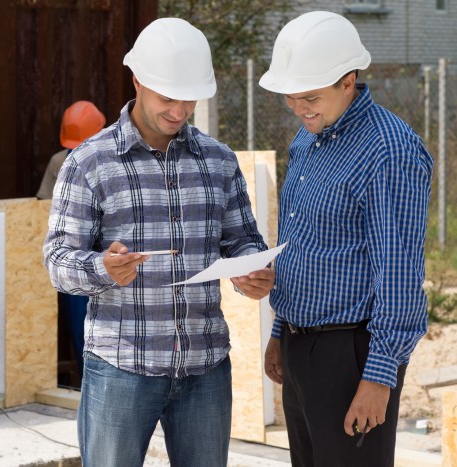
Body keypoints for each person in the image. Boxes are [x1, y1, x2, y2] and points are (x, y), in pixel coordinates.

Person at [44, 18, 274, 466]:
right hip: (120, 369)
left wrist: (251, 270)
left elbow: (243, 239)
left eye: (189, 98)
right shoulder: (90, 162)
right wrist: (101, 269)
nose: (180, 110)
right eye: (168, 97)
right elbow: (57, 262)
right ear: (138, 81)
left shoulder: (218, 161)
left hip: (205, 367)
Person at [258, 11, 433, 466]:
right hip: (302, 346)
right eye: (292, 98)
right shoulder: (309, 139)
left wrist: (379, 378)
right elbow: (302, 243)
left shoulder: (387, 151)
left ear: (349, 81)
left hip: (352, 355)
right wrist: (281, 330)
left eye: (310, 97)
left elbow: (398, 272)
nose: (299, 109)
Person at [37, 100, 106, 382]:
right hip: (74, 255)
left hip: (106, 255)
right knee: (78, 322)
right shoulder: (59, 162)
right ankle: (86, 379)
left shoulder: (111, 157)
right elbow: (42, 205)